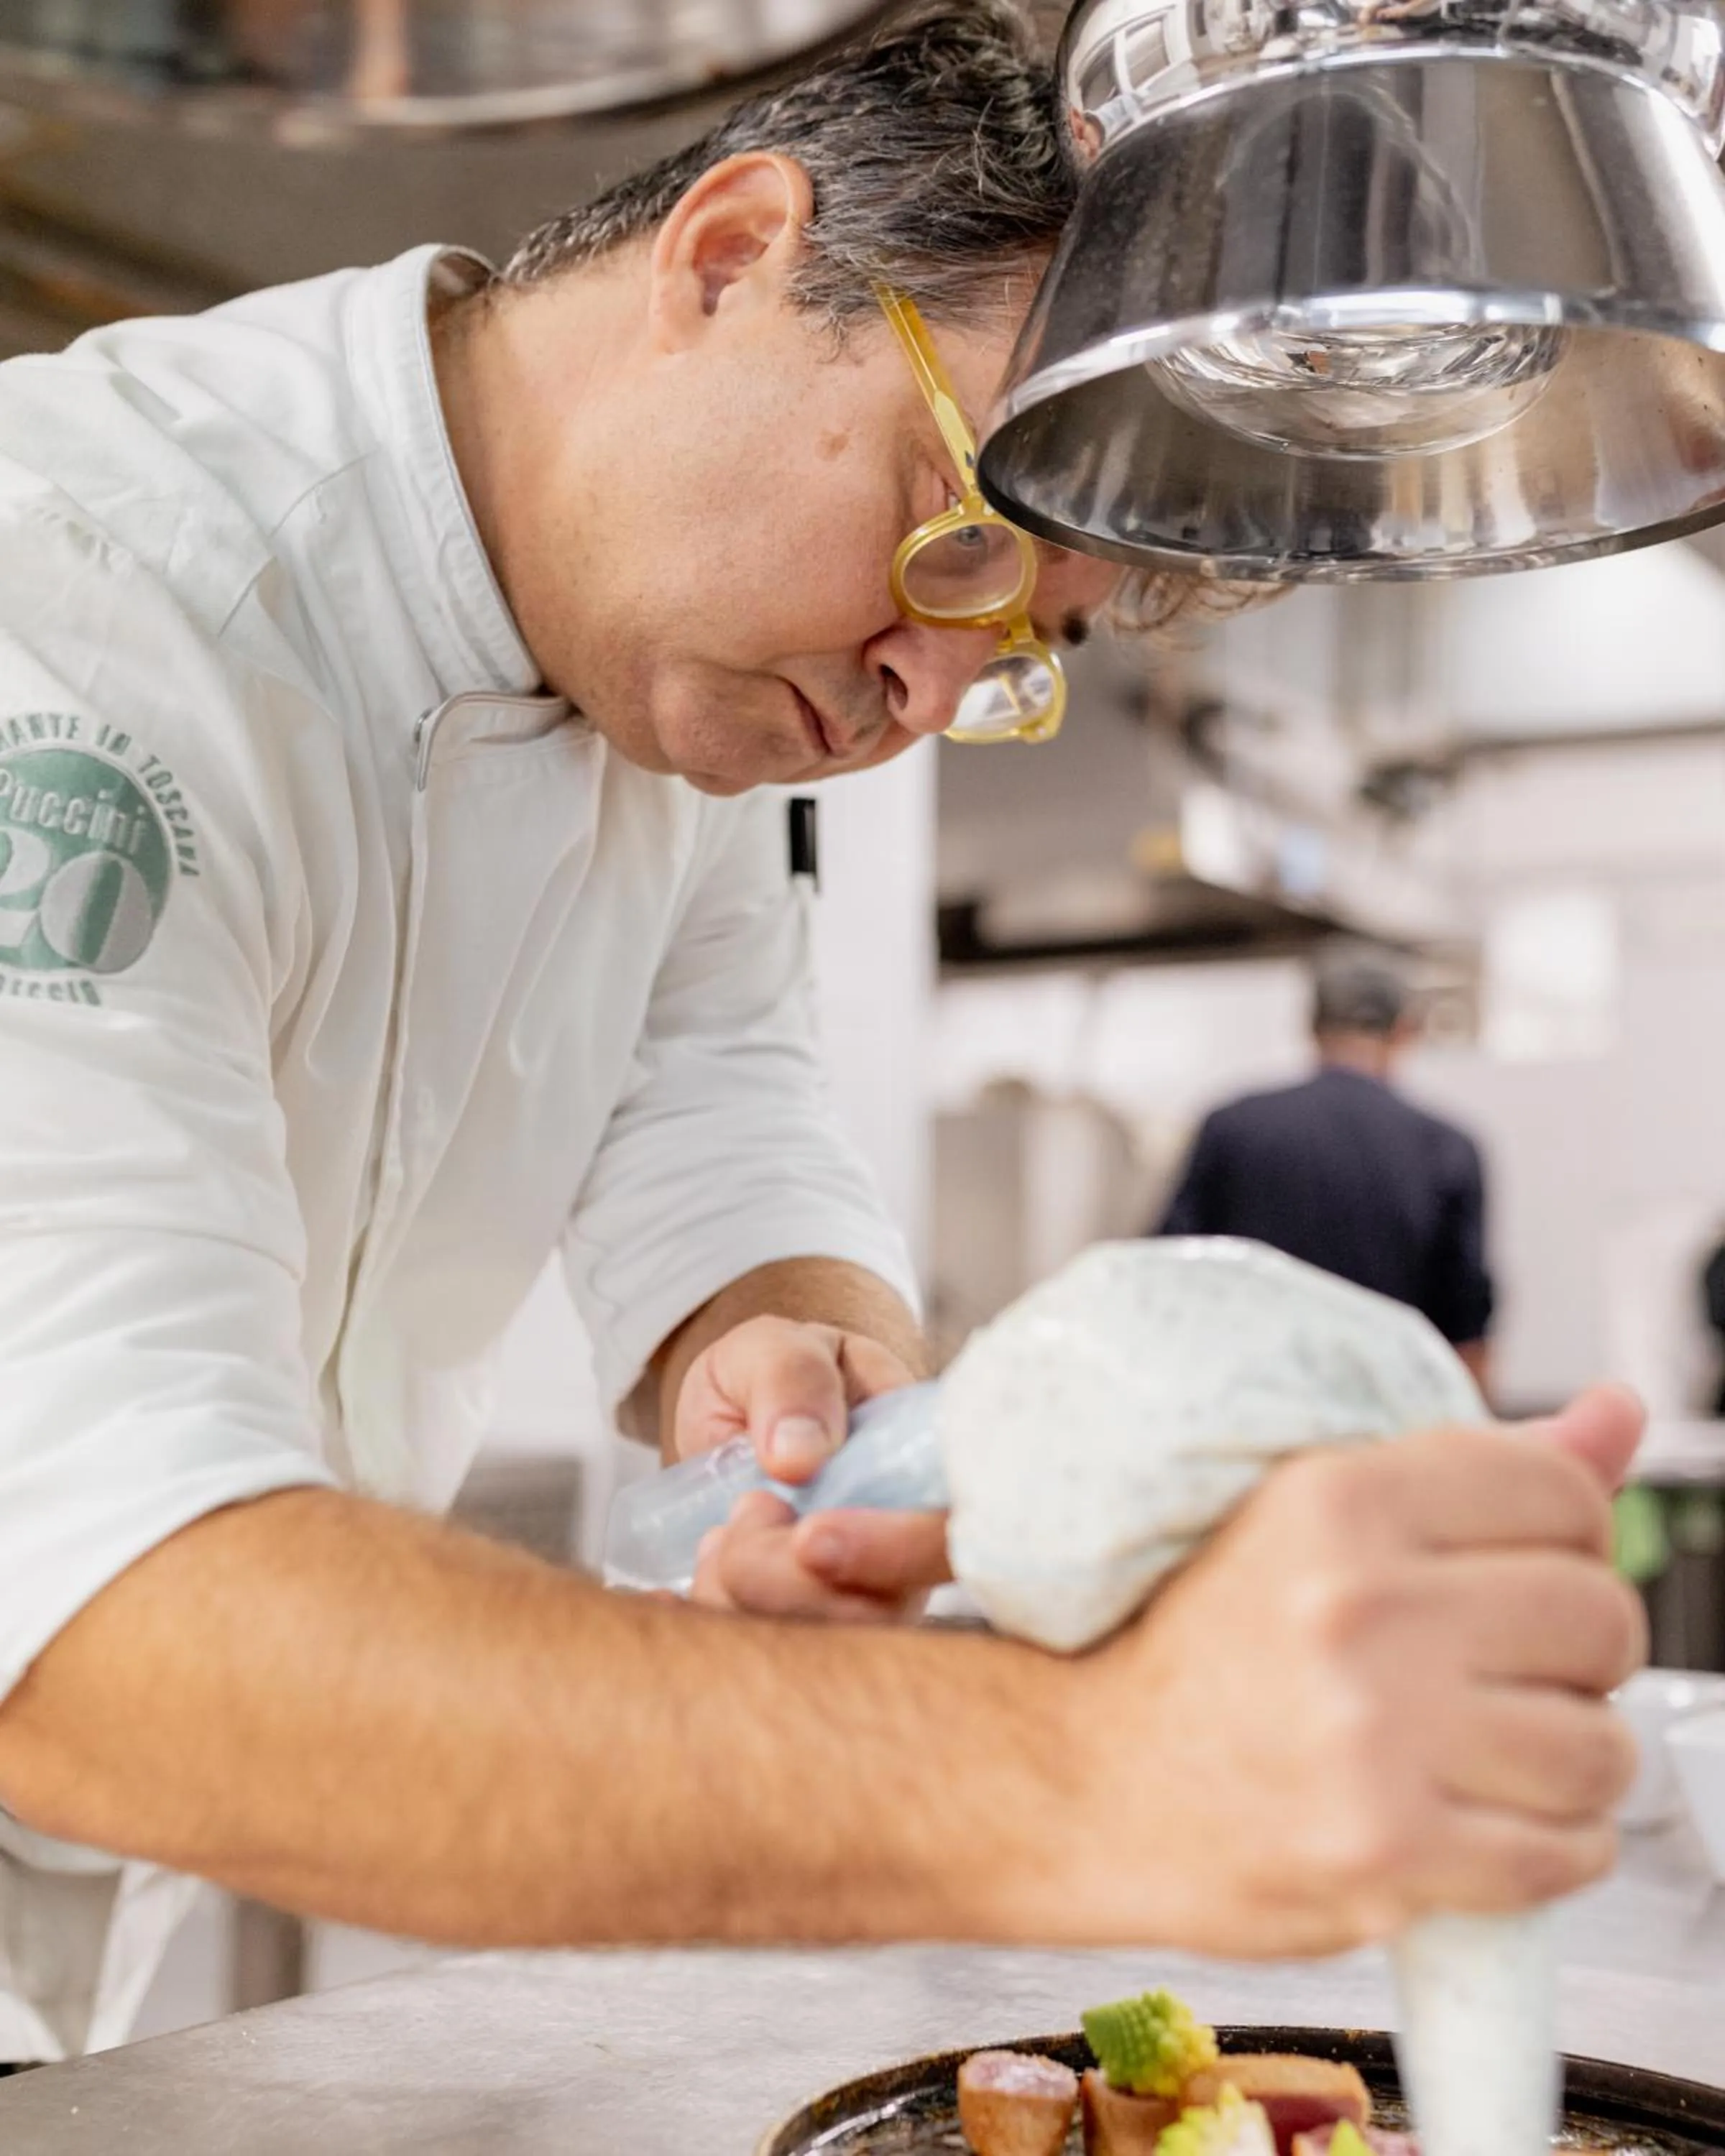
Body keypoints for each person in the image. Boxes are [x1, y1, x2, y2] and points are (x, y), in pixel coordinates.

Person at [0, 4, 1639, 2067]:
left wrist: (800, 1369)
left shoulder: (667, 675)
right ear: (727, 255)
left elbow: (717, 1094)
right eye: (947, 538)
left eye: (1022, 647)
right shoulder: (70, 610)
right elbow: (112, 1635)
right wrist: (1097, 1770)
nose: (925, 699)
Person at [1156, 948, 1495, 1394]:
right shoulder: (1446, 1147)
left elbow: (1167, 1276)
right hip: (1384, 1415)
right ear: (1404, 1031)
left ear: (1312, 1027)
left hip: (1248, 1404)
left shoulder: (1231, 1127)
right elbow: (1466, 1322)